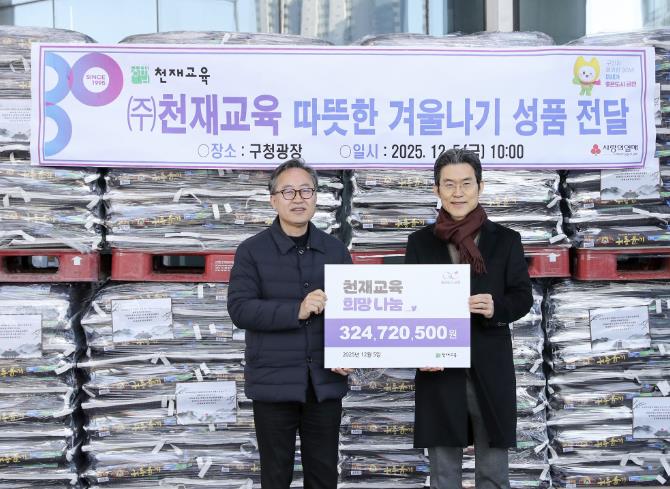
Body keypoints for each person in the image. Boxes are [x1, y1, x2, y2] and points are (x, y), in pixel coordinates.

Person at [404, 149, 533, 489]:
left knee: (493, 471)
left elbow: (523, 297)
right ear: (437, 190)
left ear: (480, 186)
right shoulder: (419, 243)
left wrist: (495, 307)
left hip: (489, 365)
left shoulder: (505, 240)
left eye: (466, 183)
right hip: (439, 368)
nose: (457, 192)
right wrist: (419, 350)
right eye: (449, 184)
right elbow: (408, 304)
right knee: (443, 474)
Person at [227, 158, 353, 489]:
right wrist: (296, 310)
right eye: (288, 191)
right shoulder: (252, 251)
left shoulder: (335, 251)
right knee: (275, 475)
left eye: (306, 191)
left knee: (323, 475)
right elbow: (240, 309)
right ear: (273, 200)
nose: (298, 199)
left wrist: (349, 350)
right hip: (273, 384)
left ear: (316, 197)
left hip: (323, 384)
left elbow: (352, 311)